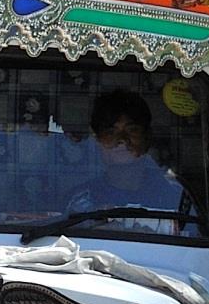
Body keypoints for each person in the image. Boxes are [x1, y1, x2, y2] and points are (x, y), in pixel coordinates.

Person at [68, 89, 194, 229]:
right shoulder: (80, 201)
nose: (122, 139)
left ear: (147, 137)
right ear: (97, 141)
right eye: (111, 132)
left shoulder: (177, 196)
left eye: (132, 130)